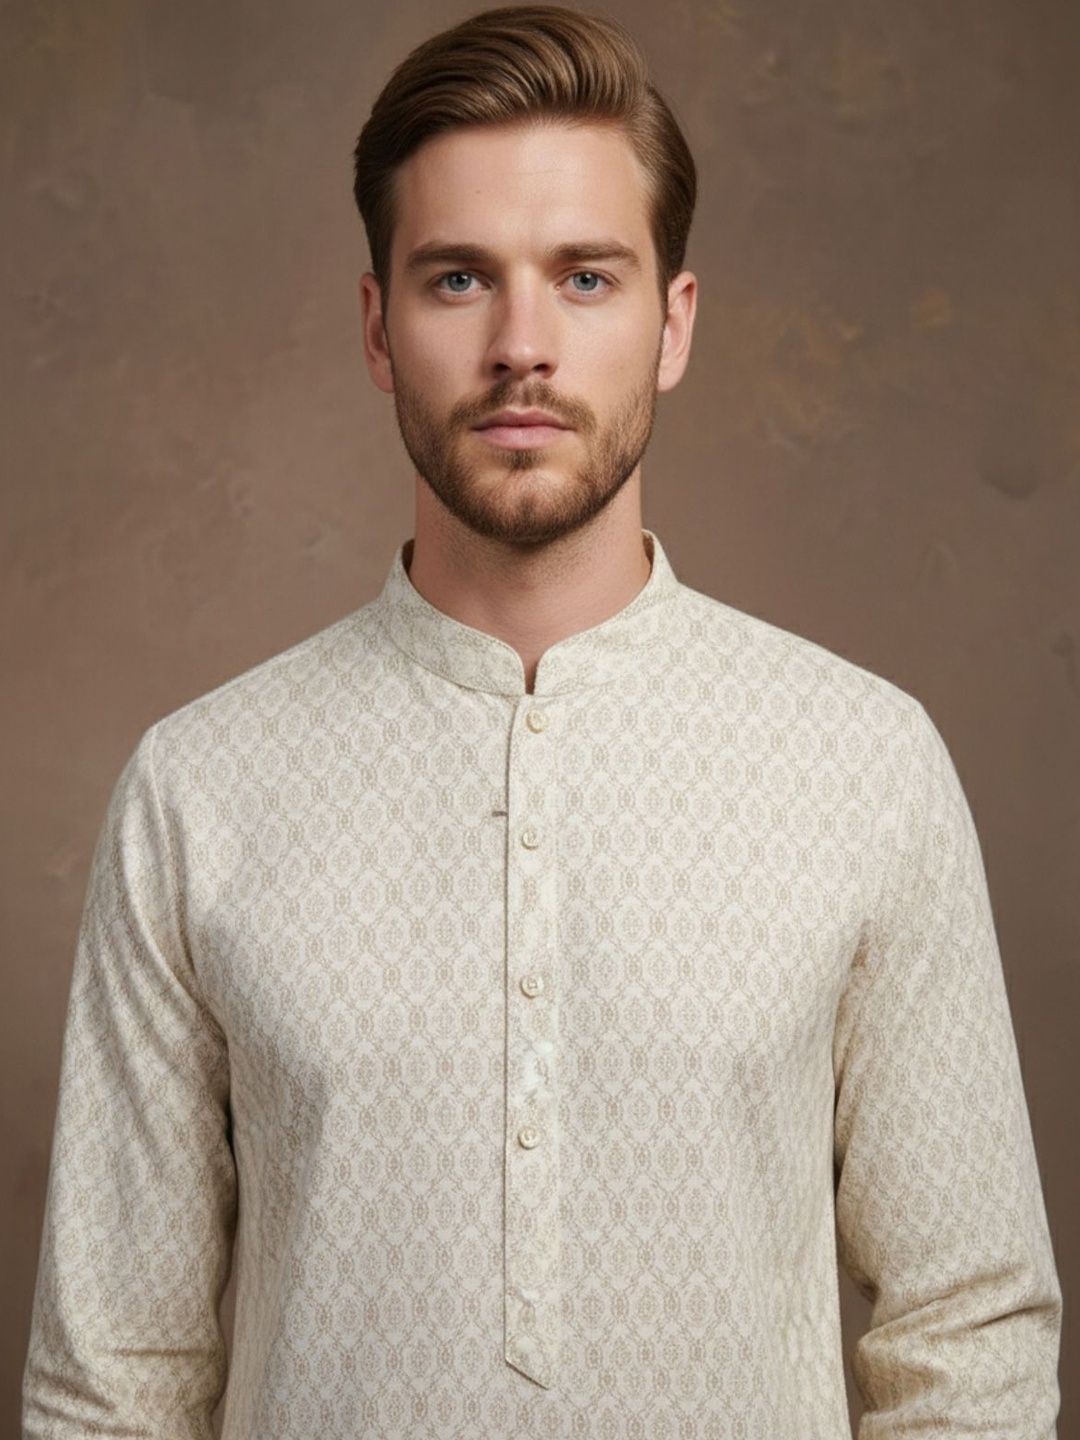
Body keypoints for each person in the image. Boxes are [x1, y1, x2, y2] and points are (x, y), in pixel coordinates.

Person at [22, 5, 1062, 1437]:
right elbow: (111, 1385)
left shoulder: (864, 764)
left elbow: (969, 1330)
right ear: (379, 329)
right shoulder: (199, 788)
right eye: (459, 279)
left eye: (584, 277)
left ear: (672, 325)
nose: (523, 345)